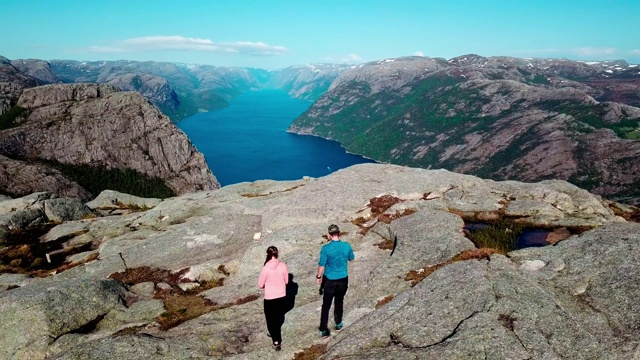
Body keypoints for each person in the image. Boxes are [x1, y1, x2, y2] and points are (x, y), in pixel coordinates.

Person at [316, 224, 355, 338]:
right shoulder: (346, 246)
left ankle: (324, 330)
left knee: (326, 305)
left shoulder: (326, 248)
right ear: (339, 233)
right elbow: (351, 258)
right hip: (343, 279)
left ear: (329, 235)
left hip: (330, 280)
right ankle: (338, 323)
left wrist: (319, 277)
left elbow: (322, 265)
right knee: (339, 301)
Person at [258, 246, 289, 351]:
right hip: (281, 297)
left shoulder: (265, 269)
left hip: (270, 298)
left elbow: (260, 285)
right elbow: (286, 281)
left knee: (270, 320)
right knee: (277, 317)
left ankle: (276, 341)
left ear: (268, 254)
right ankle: (274, 332)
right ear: (277, 254)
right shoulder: (283, 266)